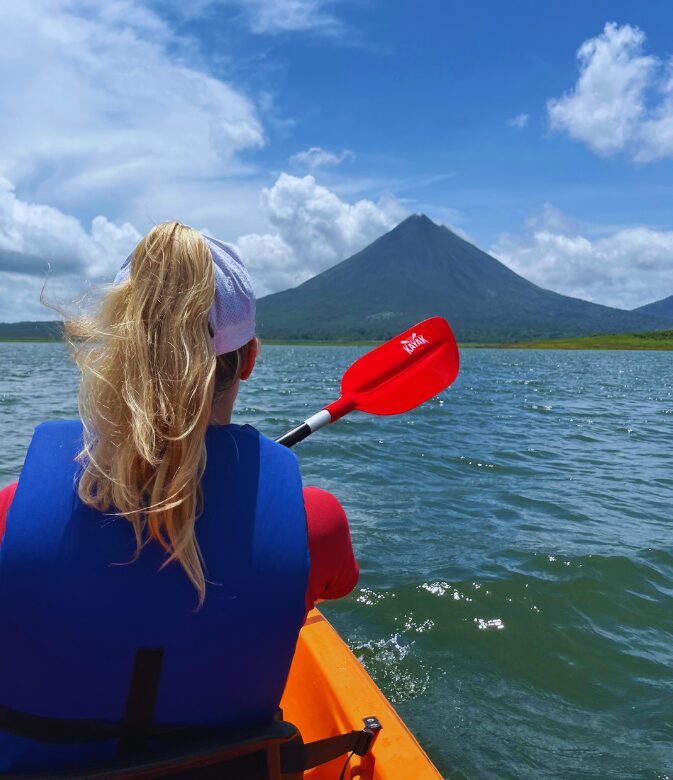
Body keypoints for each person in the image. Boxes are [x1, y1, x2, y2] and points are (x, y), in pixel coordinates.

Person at [0, 222, 359, 774]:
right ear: (250, 358)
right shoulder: (317, 524)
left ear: (118, 349)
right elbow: (334, 584)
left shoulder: (9, 515)